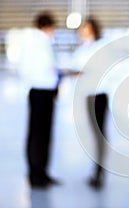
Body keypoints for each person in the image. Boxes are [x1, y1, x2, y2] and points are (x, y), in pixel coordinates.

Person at [19, 11, 60, 188]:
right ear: (48, 26)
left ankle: (41, 173)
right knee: (38, 136)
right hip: (40, 93)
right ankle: (36, 175)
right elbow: (43, 68)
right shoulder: (36, 42)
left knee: (43, 135)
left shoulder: (40, 42)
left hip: (43, 94)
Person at [71, 17, 108, 189]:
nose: (82, 32)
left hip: (98, 96)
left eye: (85, 28)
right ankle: (97, 170)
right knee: (95, 134)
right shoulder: (82, 48)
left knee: (99, 135)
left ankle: (99, 172)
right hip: (89, 95)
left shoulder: (99, 47)